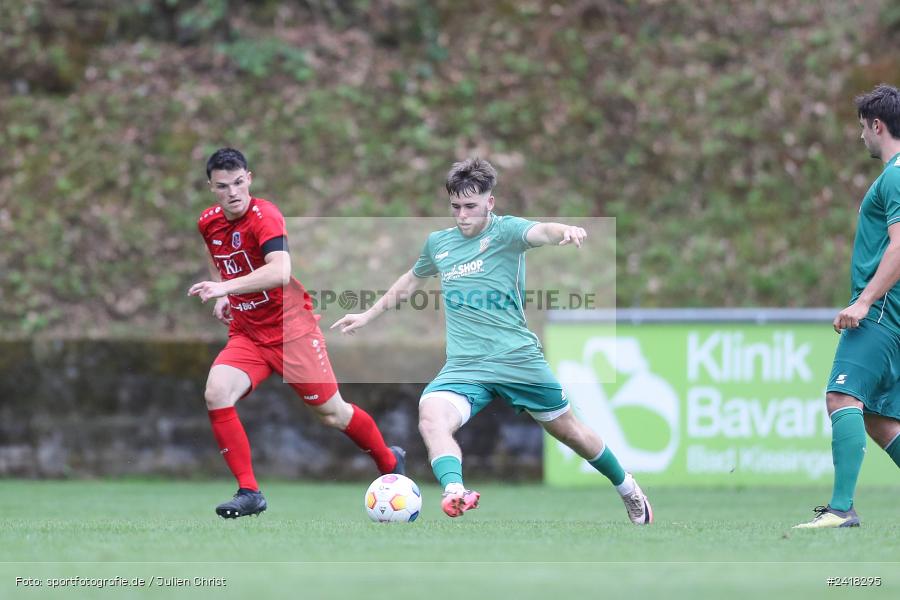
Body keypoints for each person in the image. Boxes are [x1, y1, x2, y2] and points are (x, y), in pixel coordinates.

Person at [332, 157, 653, 524]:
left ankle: (628, 488)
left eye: (471, 206)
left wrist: (564, 230)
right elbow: (411, 281)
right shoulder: (439, 244)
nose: (463, 215)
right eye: (456, 207)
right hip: (465, 364)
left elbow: (540, 231)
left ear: (490, 202)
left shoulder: (506, 232)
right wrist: (367, 314)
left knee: (571, 432)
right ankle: (455, 491)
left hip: (516, 358)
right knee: (431, 415)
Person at [189, 148, 404, 519]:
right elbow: (225, 261)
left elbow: (281, 271)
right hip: (248, 333)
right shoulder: (208, 222)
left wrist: (227, 288)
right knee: (216, 392)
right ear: (211, 187)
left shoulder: (265, 217)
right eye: (223, 186)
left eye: (239, 183)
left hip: (292, 332)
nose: (233, 193)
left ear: (249, 179)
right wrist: (228, 292)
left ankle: (389, 461)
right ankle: (249, 492)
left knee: (333, 414)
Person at [794, 84, 900, 529]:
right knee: (879, 421)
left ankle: (841, 509)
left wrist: (864, 301)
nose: (861, 138)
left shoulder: (895, 175)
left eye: (862, 129)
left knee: (842, 396)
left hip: (880, 312)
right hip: (893, 315)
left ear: (878, 126)